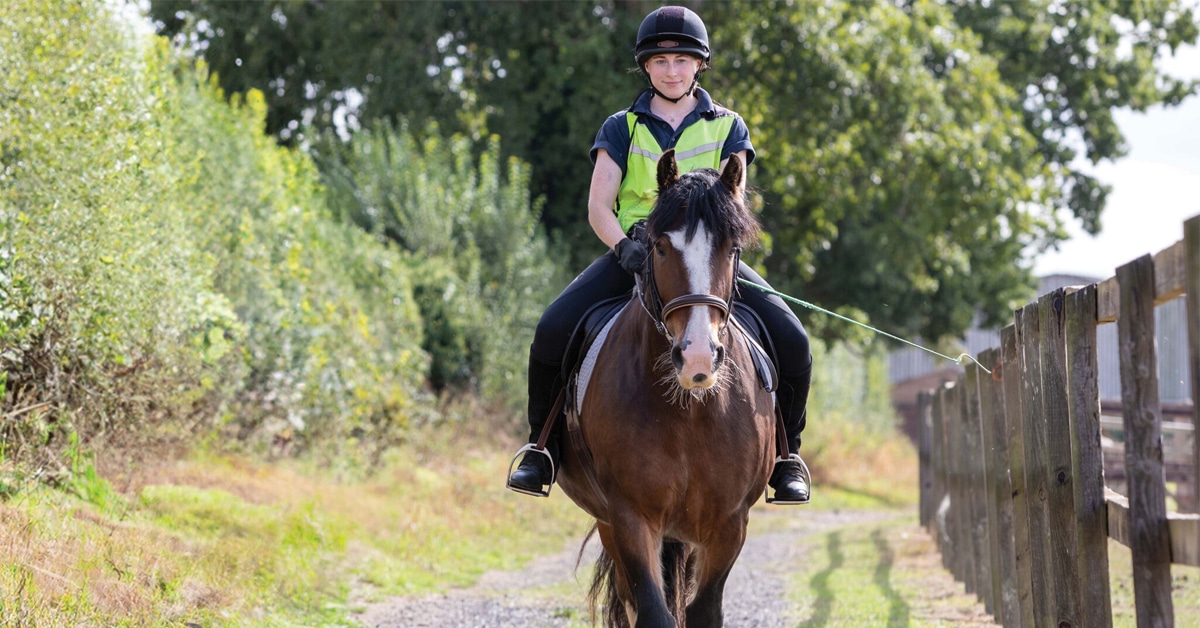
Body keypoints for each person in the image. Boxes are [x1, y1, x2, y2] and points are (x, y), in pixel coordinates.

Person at [506, 5, 812, 504]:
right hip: (637, 252)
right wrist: (625, 247)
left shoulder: (728, 126)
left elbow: (733, 203)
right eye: (661, 61)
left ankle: (787, 457)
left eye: (682, 60)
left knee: (793, 340)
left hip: (708, 260)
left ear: (699, 66)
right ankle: (542, 450)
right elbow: (599, 206)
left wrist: (719, 253)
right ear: (647, 67)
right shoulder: (621, 126)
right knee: (552, 330)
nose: (672, 70)